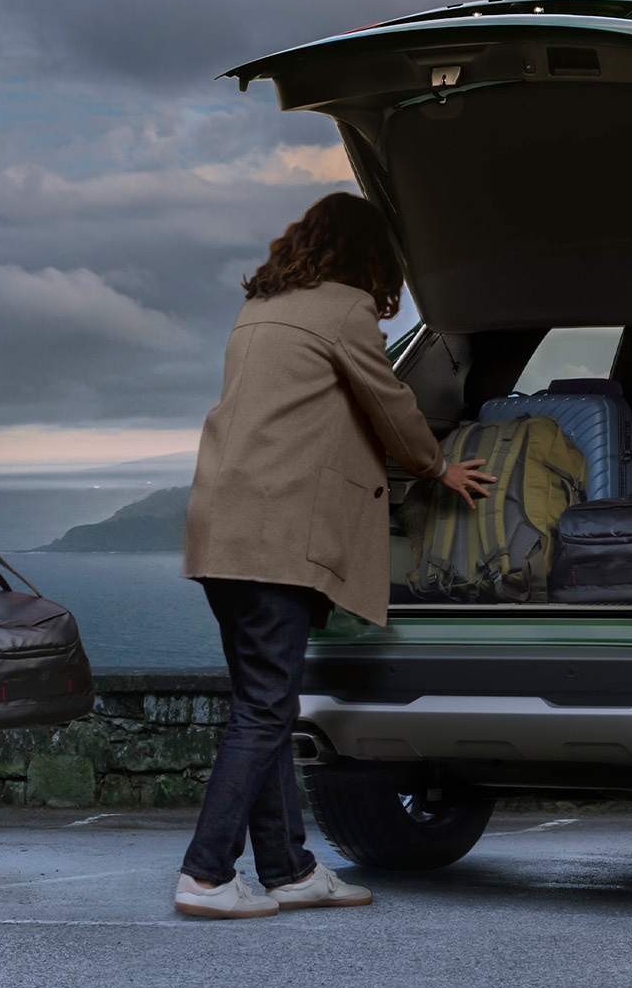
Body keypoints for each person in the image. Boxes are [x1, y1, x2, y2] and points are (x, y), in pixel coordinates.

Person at [175, 192, 494, 919]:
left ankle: (289, 868)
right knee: (264, 710)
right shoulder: (347, 310)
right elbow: (388, 401)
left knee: (266, 704)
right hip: (279, 533)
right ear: (369, 254)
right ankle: (204, 872)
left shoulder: (259, 309)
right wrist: (436, 464)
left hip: (218, 526)